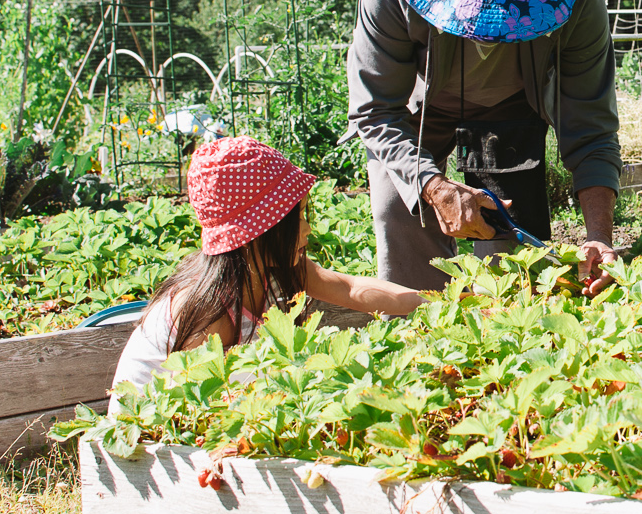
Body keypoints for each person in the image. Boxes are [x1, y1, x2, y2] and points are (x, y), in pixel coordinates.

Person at [348, 0, 623, 294]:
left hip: (514, 102)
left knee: (512, 261)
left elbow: (591, 123)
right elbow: (375, 107)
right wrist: (431, 185)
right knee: (398, 211)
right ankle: (418, 334)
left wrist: (599, 236)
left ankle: (509, 333)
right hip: (421, 108)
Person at [109, 136, 422, 405]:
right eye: (296, 219)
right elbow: (205, 406)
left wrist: (439, 300)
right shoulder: (206, 310)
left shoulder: (274, 268)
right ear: (259, 231)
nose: (308, 228)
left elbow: (349, 289)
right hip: (148, 448)